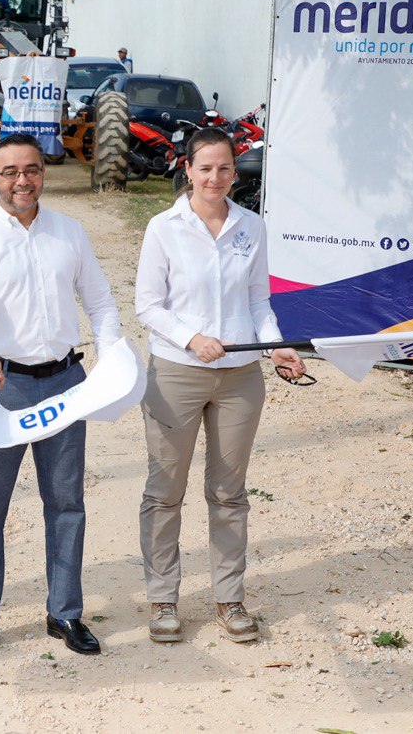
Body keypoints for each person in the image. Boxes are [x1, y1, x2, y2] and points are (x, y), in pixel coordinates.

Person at [0, 132, 122, 663]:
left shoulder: (69, 232)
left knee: (67, 503)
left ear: (44, 174)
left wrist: (111, 357)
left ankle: (65, 612)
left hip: (66, 384)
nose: (23, 180)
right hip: (3, 386)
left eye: (32, 170)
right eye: (11, 172)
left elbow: (102, 302)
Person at [134, 128, 305, 645]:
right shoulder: (163, 227)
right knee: (165, 492)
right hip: (176, 373)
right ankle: (164, 598)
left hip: (239, 377)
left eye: (225, 169)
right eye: (205, 168)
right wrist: (191, 338)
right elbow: (148, 305)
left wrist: (276, 345)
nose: (215, 178)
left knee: (229, 493)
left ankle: (229, 598)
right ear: (187, 168)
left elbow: (258, 304)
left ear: (236, 172)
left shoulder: (252, 227)